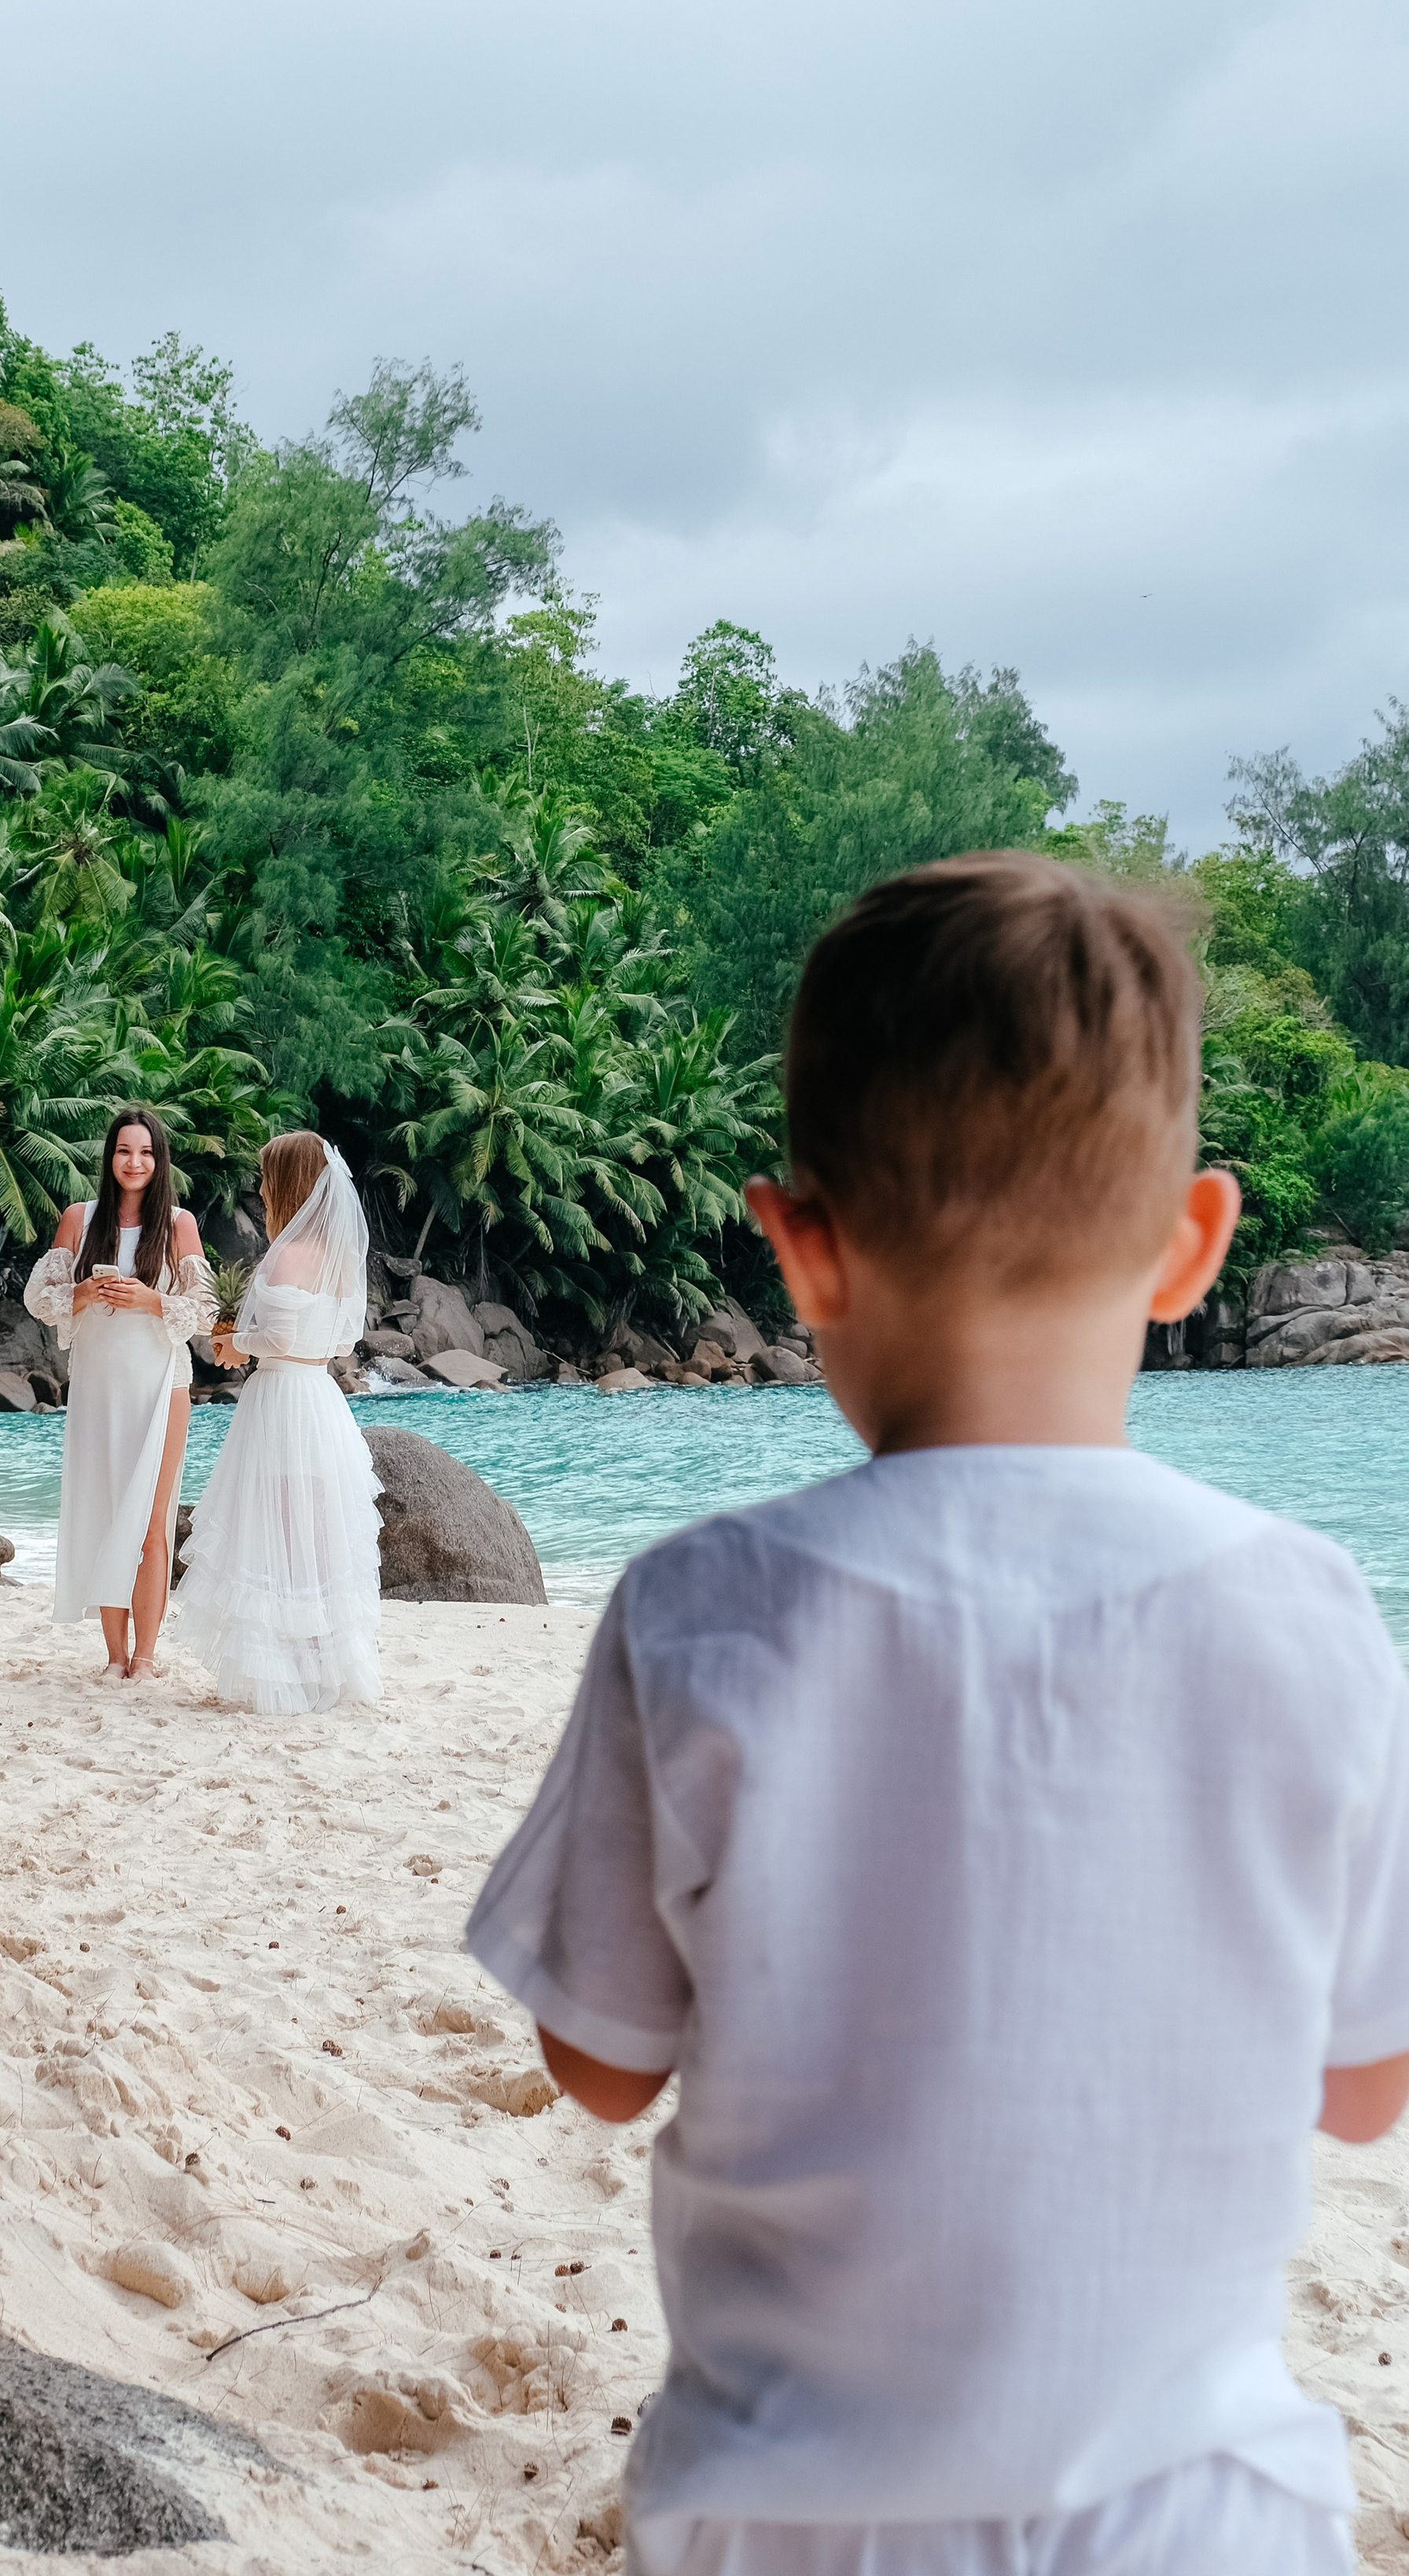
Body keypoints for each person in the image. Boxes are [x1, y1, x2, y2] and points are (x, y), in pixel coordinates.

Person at [467, 852, 1409, 2576]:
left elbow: (597, 2064)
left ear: (798, 1249)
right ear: (1191, 1245)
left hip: (792, 2522)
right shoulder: (1307, 1613)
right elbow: (1361, 2088)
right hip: (1208, 2521)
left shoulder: (699, 1613)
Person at [175, 1131, 382, 1714]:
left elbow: (278, 1337)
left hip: (281, 1400)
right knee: (315, 1534)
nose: (260, 1188)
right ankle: (324, 1664)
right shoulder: (340, 1257)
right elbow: (342, 1339)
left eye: (266, 1177)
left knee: (278, 1527)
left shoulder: (287, 1254)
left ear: (288, 1183)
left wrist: (234, 1342)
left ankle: (283, 1671)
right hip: (319, 1396)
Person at [24, 1107, 213, 1680]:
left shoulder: (178, 1224)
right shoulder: (79, 1219)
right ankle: (113, 1656)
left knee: (152, 1528)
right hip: (97, 1389)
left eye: (146, 1153)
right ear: (110, 1158)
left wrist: (150, 1301)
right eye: (125, 1151)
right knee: (108, 1518)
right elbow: (39, 1298)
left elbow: (205, 1312)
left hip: (162, 1386)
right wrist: (82, 1291)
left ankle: (147, 1656)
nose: (135, 1162)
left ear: (159, 1161)